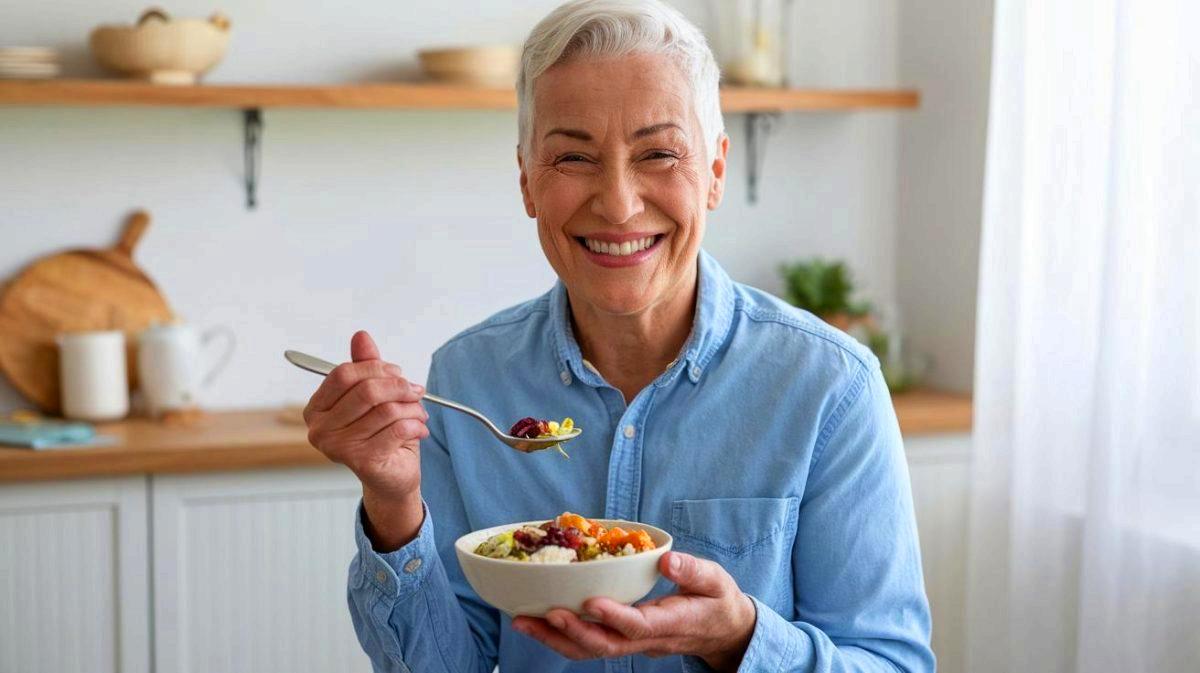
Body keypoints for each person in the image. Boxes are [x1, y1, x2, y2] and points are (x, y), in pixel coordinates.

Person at [301, 0, 934, 670]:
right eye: (574, 156)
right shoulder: (467, 379)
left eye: (658, 152)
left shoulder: (830, 387)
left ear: (715, 172)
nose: (619, 202)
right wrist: (394, 503)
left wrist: (738, 637)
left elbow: (892, 662)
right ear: (527, 181)